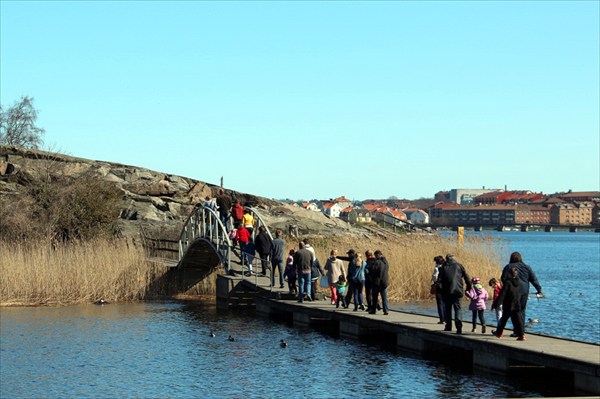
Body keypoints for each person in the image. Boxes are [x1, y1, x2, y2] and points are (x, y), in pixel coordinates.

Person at [500, 251, 543, 337]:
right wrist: (539, 289)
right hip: (524, 292)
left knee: (512, 311)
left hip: (512, 292)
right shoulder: (527, 267)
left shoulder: (508, 267)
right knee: (521, 311)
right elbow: (533, 279)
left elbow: (503, 279)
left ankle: (517, 331)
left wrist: (506, 289)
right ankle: (521, 332)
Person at [439, 254, 472, 334]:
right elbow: (467, 278)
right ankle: (459, 326)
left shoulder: (443, 267)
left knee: (448, 309)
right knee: (458, 308)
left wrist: (440, 290)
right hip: (458, 291)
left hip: (447, 291)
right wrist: (468, 288)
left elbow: (439, 280)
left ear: (446, 259)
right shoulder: (459, 266)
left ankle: (448, 326)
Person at [493, 267, 526, 341]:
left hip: (508, 304)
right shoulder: (520, 283)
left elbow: (503, 294)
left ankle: (499, 333)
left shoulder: (508, 282)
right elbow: (521, 294)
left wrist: (497, 303)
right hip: (517, 304)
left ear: (509, 274)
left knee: (503, 319)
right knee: (518, 320)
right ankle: (522, 335)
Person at [369, 250, 389, 315]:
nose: (375, 257)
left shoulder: (377, 262)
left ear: (377, 255)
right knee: (384, 297)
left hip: (377, 283)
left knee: (374, 297)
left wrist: (369, 266)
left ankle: (373, 310)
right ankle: (386, 310)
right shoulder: (386, 262)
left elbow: (373, 270)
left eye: (375, 255)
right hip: (384, 282)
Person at [432, 256, 446, 324]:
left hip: (439, 286)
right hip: (446, 286)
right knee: (445, 303)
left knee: (440, 303)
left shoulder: (437, 268)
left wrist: (434, 281)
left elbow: (435, 278)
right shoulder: (446, 267)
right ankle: (446, 318)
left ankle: (442, 319)